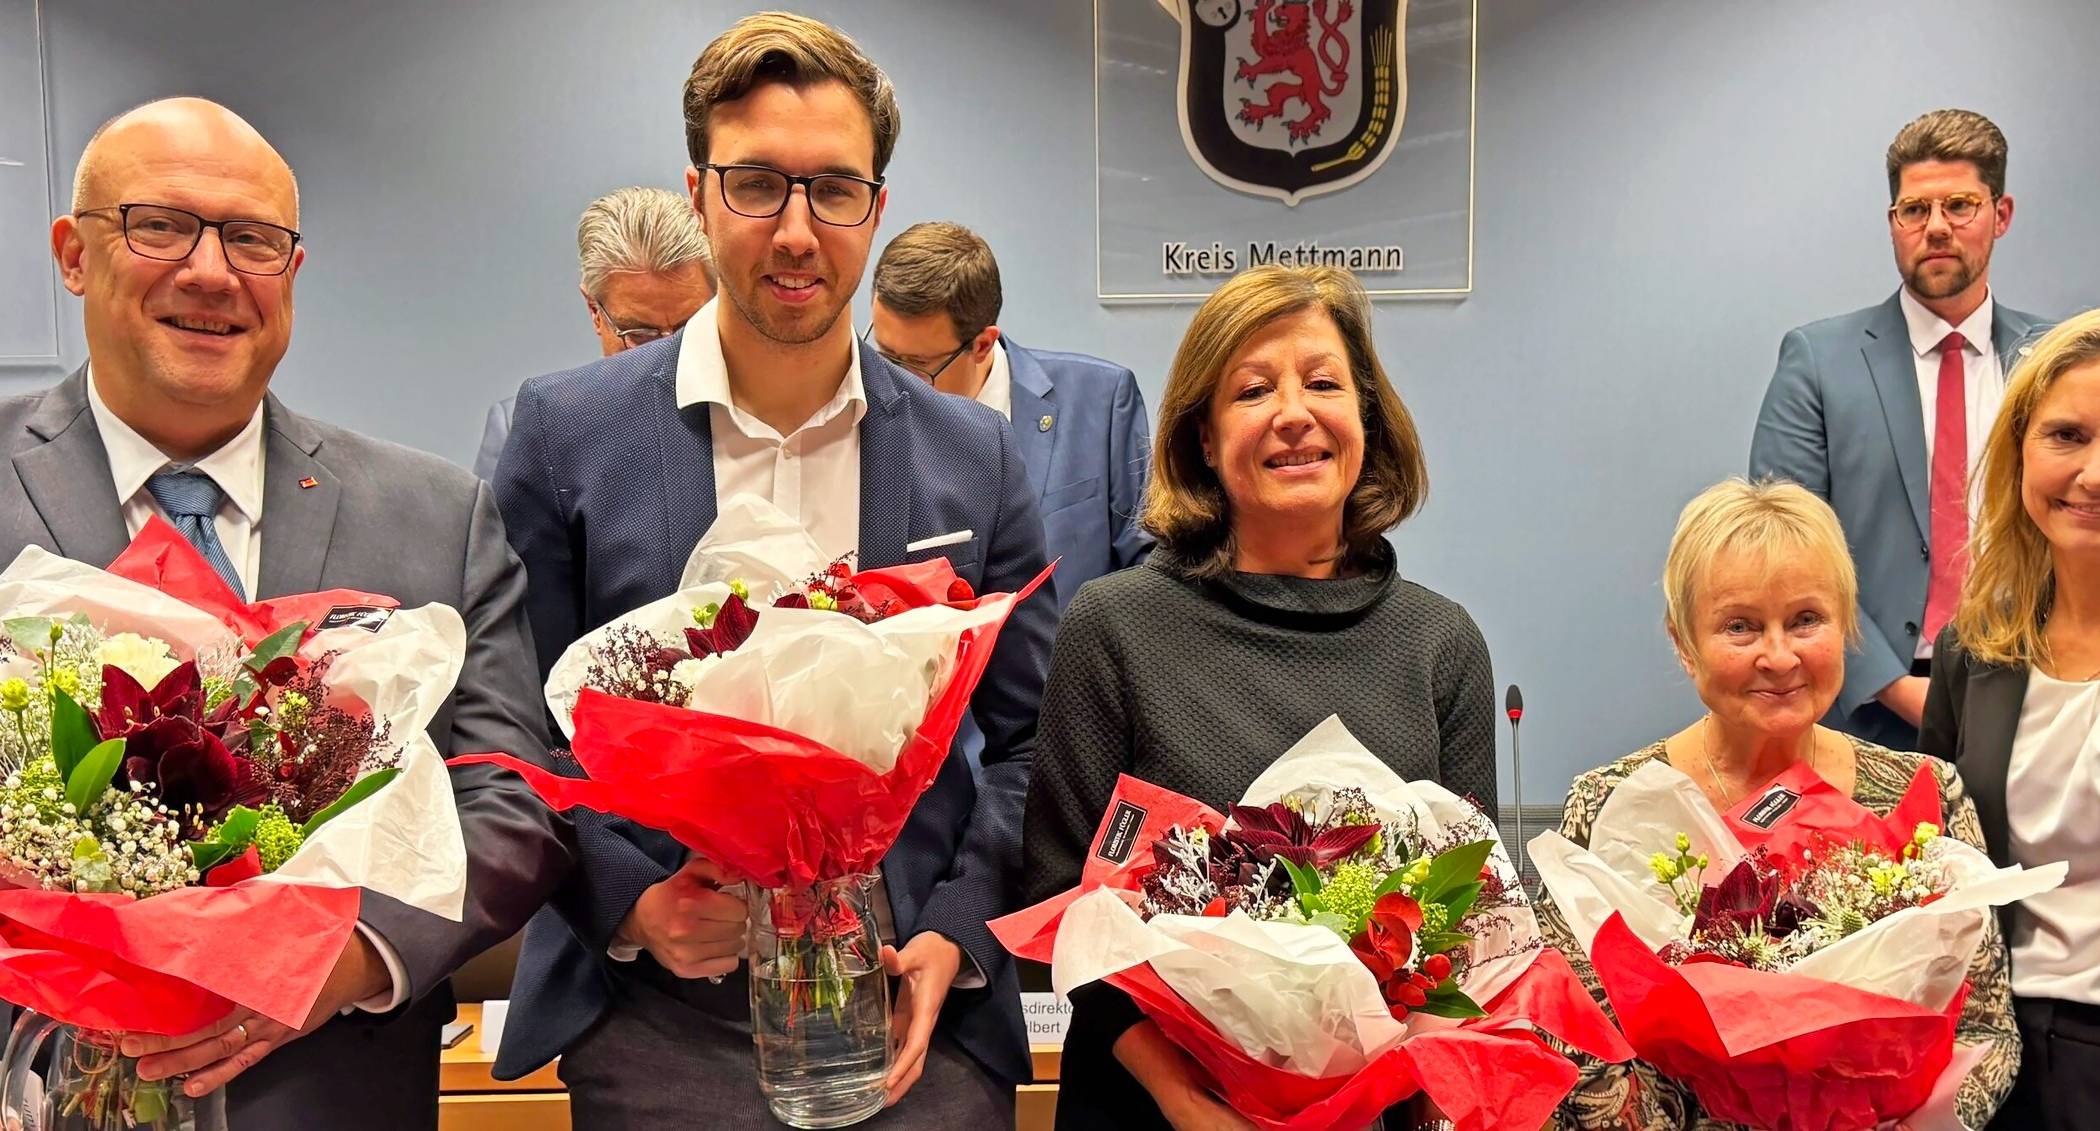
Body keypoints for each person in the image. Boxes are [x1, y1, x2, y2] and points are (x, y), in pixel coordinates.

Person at [491, 13, 1053, 1126]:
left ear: (875, 209)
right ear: (699, 195)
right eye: (756, 185)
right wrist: (632, 900)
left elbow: (1035, 740)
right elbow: (512, 728)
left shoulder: (975, 457)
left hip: (915, 1015)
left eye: (834, 190)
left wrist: (959, 926)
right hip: (657, 1020)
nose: (797, 231)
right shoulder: (565, 433)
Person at [4, 97, 572, 1129]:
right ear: (73, 255)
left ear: (292, 272)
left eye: (252, 240)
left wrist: (344, 959)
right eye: (159, 226)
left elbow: (509, 800)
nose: (211, 272)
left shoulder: (434, 517)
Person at [1021, 263, 1496, 1131]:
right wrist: (1184, 1100)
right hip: (1155, 1112)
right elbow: (1059, 901)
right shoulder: (1115, 625)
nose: (1293, 412)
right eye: (1252, 390)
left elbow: (1470, 926)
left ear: (1366, 419)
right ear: (1204, 439)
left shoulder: (1441, 643)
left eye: (1323, 383)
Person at [1538, 478, 2017, 1129]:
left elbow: (1985, 1029)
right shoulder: (1609, 805)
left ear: (1846, 625)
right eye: (1740, 626)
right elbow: (1577, 1039)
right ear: (1682, 642)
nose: (1779, 655)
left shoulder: (1923, 793)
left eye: (1805, 619)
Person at [1751, 109, 2047, 750]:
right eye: (1915, 210)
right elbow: (1787, 549)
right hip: (1863, 712)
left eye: (1960, 205)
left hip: (2037, 700)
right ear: (1894, 224)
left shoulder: (2056, 361)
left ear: (2000, 215)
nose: (1936, 227)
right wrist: (1896, 688)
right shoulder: (1818, 361)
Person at [1921, 310, 2100, 1130]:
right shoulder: (1971, 650)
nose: (2092, 473)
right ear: (2020, 449)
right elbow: (1937, 859)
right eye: (2067, 435)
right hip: (2001, 1053)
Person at [870, 221, 1151, 611]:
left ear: (983, 344)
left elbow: (1149, 566)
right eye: (885, 355)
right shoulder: (866, 413)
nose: (895, 379)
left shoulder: (1102, 401)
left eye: (917, 364)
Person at [472, 186, 715, 478]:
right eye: (641, 335)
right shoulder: (533, 432)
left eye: (689, 328)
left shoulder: (757, 414)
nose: (671, 353)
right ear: (594, 311)